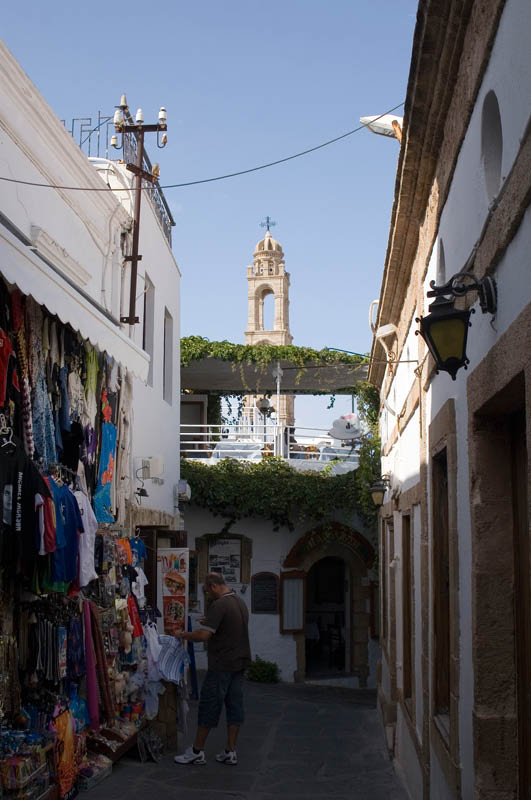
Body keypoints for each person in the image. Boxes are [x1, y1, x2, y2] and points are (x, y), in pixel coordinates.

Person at [174, 572, 251, 766]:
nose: (208, 594)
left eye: (208, 590)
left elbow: (203, 636)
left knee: (209, 705)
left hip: (222, 664)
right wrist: (208, 623)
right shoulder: (239, 602)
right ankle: (230, 751)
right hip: (240, 662)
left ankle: (197, 751)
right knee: (235, 706)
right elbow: (227, 628)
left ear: (214, 586)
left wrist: (183, 634)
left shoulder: (219, 605)